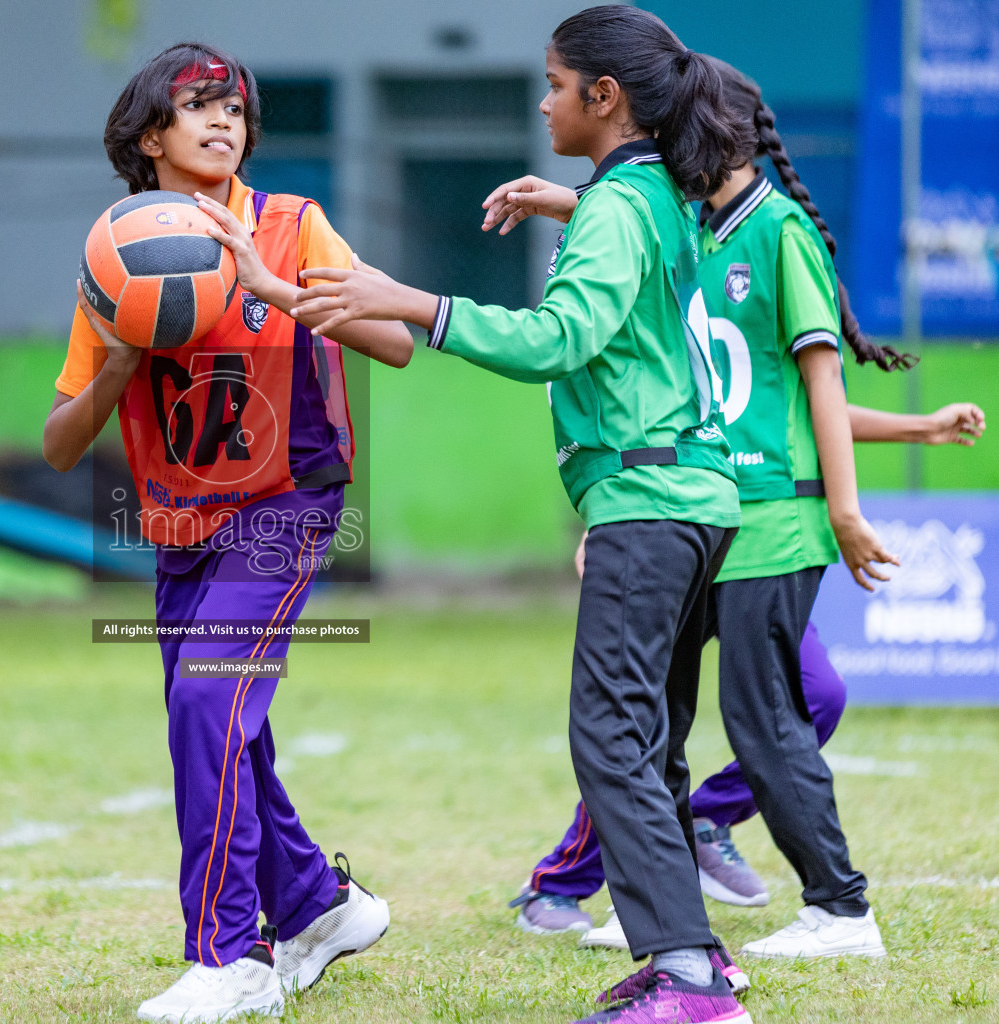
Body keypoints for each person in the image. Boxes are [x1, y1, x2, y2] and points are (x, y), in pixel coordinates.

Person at [291, 8, 760, 1022]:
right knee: (647, 737)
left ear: (605, 98)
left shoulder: (624, 206)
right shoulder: (656, 194)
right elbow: (636, 246)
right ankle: (696, 961)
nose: (541, 102)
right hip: (686, 493)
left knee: (610, 739)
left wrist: (408, 299)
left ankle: (686, 981)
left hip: (652, 498)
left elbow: (562, 335)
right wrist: (574, 202)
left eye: (553, 84)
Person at [503, 60, 984, 962]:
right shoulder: (698, 231)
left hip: (768, 519)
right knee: (658, 719)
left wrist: (845, 509)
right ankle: (655, 898)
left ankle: (841, 910)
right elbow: (648, 238)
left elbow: (819, 389)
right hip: (696, 509)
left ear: (714, 132)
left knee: (769, 716)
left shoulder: (781, 233)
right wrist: (564, 203)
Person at [42, 43, 411, 1023]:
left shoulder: (293, 226)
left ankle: (229, 957)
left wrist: (275, 286)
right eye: (198, 105)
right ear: (149, 133)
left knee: (210, 703)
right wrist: (119, 363)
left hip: (286, 504)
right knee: (218, 726)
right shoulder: (114, 253)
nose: (222, 120)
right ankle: (316, 906)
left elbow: (397, 341)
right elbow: (58, 443)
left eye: (235, 108)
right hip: (181, 526)